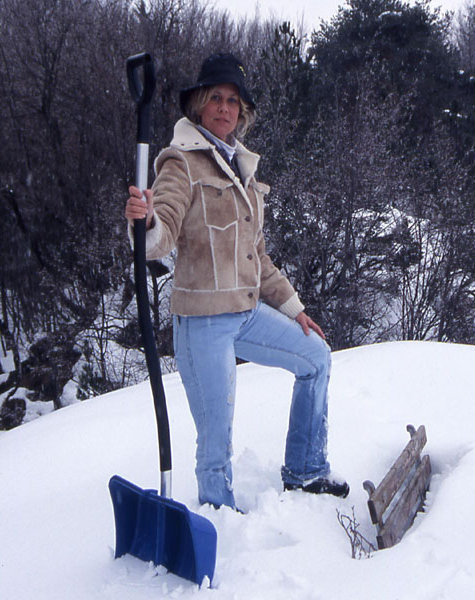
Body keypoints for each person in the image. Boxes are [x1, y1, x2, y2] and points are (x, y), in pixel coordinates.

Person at [124, 53, 349, 511]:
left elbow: (257, 256)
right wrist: (143, 224)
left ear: (240, 111)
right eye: (216, 99)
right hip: (203, 322)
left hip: (246, 313)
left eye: (232, 101)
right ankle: (218, 517)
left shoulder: (241, 168)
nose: (224, 108)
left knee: (316, 358)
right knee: (216, 439)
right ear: (200, 105)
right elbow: (161, 231)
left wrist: (294, 308)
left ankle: (305, 470)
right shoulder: (180, 163)